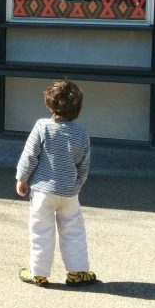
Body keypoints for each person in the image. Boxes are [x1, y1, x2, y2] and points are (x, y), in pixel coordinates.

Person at [15, 80, 97, 288]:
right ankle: (77, 272)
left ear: (50, 106)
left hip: (42, 191)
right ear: (78, 109)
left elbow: (30, 156)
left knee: (41, 230)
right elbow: (83, 164)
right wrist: (78, 184)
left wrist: (22, 178)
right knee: (73, 230)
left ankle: (38, 273)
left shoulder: (42, 127)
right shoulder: (82, 134)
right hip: (69, 192)